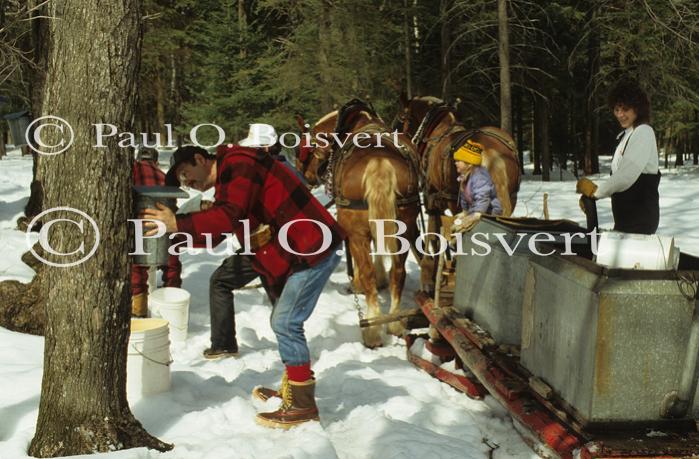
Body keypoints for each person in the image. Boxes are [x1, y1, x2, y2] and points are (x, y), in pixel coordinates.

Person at [143, 140, 345, 429]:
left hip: (313, 247)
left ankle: (303, 406)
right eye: (183, 182)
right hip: (294, 250)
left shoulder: (238, 163)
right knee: (283, 319)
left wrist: (179, 222)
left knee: (285, 322)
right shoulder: (231, 182)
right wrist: (173, 233)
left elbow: (228, 217)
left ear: (201, 159)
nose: (188, 183)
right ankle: (294, 389)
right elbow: (219, 231)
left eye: (186, 173)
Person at [576, 79, 660, 234]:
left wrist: (595, 193)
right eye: (616, 109)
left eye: (625, 109)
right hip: (625, 220)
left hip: (639, 222)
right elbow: (621, 183)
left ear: (637, 108)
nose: (620, 114)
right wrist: (596, 192)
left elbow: (625, 176)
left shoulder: (643, 132)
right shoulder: (626, 135)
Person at [131, 147, 182, 317]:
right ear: (156, 161)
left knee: (137, 266)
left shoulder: (132, 169)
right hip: (164, 225)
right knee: (172, 260)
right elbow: (174, 204)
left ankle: (139, 310)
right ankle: (172, 302)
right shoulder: (164, 176)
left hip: (140, 222)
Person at [451, 140, 503, 232]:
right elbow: (464, 197)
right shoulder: (465, 177)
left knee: (463, 230)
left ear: (469, 164)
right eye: (456, 161)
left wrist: (477, 214)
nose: (456, 163)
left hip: (489, 214)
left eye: (459, 161)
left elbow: (483, 197)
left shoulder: (479, 176)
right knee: (455, 227)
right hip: (476, 211)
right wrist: (465, 212)